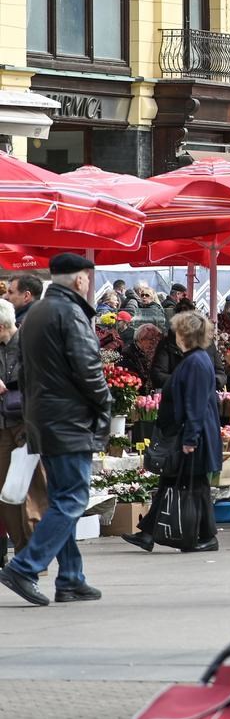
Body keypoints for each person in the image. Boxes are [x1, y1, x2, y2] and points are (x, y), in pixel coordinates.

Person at [0, 254, 113, 607]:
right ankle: (25, 567)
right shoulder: (69, 313)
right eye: (88, 278)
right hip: (68, 421)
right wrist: (105, 405)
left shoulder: (35, 315)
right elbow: (88, 368)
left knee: (61, 498)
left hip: (44, 419)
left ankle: (71, 579)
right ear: (81, 280)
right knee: (72, 498)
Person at [122, 311, 223, 554]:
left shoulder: (197, 362)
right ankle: (147, 532)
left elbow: (196, 404)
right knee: (171, 480)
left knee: (195, 484)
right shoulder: (194, 359)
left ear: (186, 334)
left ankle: (208, 536)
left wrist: (190, 439)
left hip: (191, 435)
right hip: (187, 432)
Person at [0, 299, 44, 565]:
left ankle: (34, 554)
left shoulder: (28, 345)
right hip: (2, 426)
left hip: (26, 423)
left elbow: (38, 381)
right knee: (7, 492)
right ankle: (20, 552)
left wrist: (9, 384)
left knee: (33, 490)